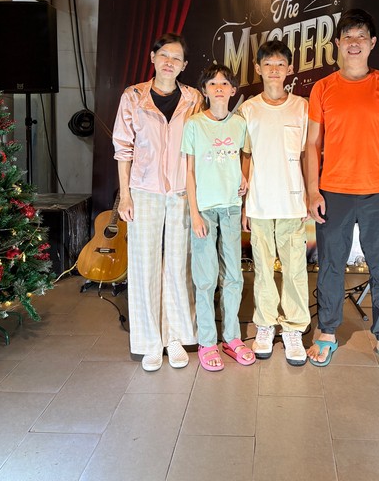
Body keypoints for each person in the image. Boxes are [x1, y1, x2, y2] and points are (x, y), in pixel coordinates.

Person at [305, 8, 379, 375]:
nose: (354, 43)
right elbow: (311, 144)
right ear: (337, 43)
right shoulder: (323, 88)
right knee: (331, 266)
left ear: (372, 43)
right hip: (333, 191)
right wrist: (312, 191)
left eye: (361, 36)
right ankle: (327, 331)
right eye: (347, 37)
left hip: (378, 192)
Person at [113, 32, 202, 372]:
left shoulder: (193, 99)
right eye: (164, 55)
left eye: (176, 58)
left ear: (184, 65)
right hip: (144, 191)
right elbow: (123, 149)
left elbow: (199, 147)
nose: (169, 62)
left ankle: (175, 337)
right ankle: (150, 341)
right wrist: (125, 195)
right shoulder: (133, 96)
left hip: (181, 193)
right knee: (144, 265)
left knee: (179, 265)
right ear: (152, 57)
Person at [239, 40, 310, 366]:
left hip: (293, 202)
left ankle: (294, 328)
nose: (274, 70)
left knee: (295, 269)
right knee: (263, 269)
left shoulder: (302, 107)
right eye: (268, 64)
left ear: (290, 69)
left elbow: (308, 154)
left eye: (281, 64)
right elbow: (246, 156)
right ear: (258, 68)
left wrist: (310, 192)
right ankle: (265, 325)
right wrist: (244, 203)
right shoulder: (249, 109)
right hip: (259, 203)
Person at [182, 63, 255, 372]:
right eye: (213, 83)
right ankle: (207, 341)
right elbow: (189, 171)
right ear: (205, 90)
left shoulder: (240, 124)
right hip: (205, 210)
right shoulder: (194, 125)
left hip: (231, 208)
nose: (219, 88)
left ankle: (232, 338)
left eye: (225, 83)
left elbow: (245, 156)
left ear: (233, 90)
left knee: (234, 275)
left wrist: (244, 177)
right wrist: (194, 213)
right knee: (206, 277)